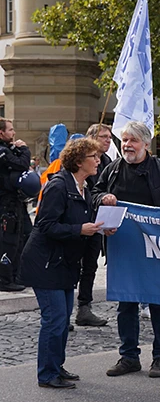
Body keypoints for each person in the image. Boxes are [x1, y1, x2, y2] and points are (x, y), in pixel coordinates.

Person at [93, 121, 160, 379]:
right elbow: (95, 193)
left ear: (146, 144)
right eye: (124, 140)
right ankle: (129, 356)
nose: (127, 145)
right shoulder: (112, 170)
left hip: (157, 250)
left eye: (133, 141)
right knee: (126, 304)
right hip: (123, 248)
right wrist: (102, 199)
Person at [20, 138, 114, 388]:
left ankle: (56, 367)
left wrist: (100, 229)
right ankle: (47, 374)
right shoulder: (59, 186)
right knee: (55, 319)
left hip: (65, 263)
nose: (98, 160)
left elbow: (83, 220)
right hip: (46, 263)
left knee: (62, 320)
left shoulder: (85, 186)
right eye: (93, 156)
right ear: (79, 160)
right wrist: (79, 230)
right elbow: (46, 225)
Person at [74, 124, 114, 327]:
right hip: (78, 222)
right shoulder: (80, 161)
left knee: (90, 266)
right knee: (72, 265)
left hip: (98, 222)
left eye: (109, 136)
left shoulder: (108, 162)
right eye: (103, 136)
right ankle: (62, 310)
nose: (108, 139)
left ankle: (84, 307)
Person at [0, 118, 31, 292]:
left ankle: (15, 274)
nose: (14, 133)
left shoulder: (8, 149)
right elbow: (22, 165)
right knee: (8, 241)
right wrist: (25, 149)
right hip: (5, 204)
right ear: (1, 132)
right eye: (10, 130)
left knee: (24, 236)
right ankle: (4, 279)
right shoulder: (2, 152)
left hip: (15, 202)